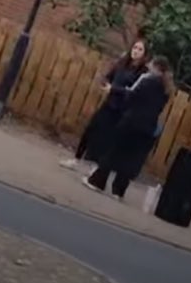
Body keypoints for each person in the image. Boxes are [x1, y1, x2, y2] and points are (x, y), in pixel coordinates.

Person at [83, 55, 171, 200]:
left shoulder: (148, 80)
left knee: (113, 151)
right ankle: (118, 191)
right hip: (148, 128)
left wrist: (113, 89)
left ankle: (97, 181)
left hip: (132, 122)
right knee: (130, 159)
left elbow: (132, 95)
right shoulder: (166, 89)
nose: (148, 65)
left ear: (157, 68)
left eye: (151, 64)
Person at [60, 40, 149, 170]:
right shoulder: (122, 64)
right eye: (135, 47)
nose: (136, 51)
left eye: (140, 49)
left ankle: (97, 168)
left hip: (122, 110)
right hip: (109, 104)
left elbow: (134, 92)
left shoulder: (142, 73)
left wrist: (113, 89)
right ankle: (76, 159)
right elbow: (109, 76)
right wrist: (105, 83)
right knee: (90, 130)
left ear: (145, 54)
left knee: (107, 139)